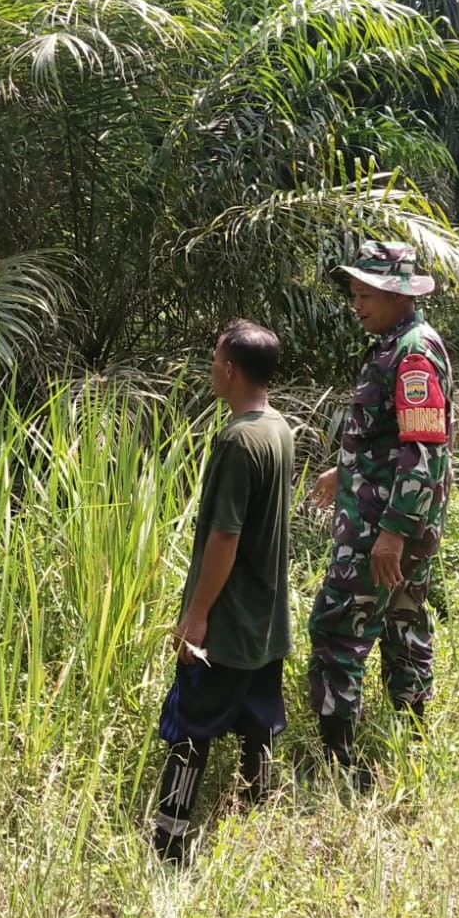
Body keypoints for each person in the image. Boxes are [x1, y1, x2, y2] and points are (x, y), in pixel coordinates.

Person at [306, 241, 454, 788]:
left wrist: (390, 534)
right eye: (354, 294)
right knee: (403, 623)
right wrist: (342, 471)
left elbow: (424, 451)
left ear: (397, 295)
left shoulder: (412, 354)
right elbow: (388, 440)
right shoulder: (394, 345)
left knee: (337, 628)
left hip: (381, 530)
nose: (356, 304)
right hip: (396, 524)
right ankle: (411, 742)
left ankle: (338, 765)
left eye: (366, 294)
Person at [152, 320, 296, 864]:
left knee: (191, 725)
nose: (212, 367)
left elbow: (225, 536)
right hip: (266, 620)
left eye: (215, 359)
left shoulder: (239, 441)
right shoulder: (278, 427)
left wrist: (196, 616)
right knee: (257, 721)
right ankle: (255, 818)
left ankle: (169, 841)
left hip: (229, 622)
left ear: (230, 370)